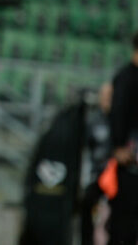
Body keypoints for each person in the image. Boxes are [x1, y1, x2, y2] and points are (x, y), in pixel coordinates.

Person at [107, 32, 138, 244]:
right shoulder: (126, 77)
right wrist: (118, 146)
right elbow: (117, 112)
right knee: (123, 222)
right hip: (128, 161)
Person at [81, 83, 112, 245]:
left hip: (117, 177)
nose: (107, 100)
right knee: (86, 204)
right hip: (98, 176)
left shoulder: (123, 122)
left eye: (110, 97)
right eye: (105, 96)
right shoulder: (93, 121)